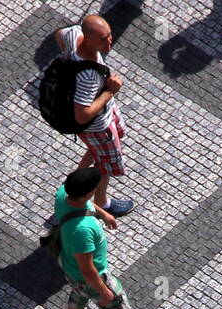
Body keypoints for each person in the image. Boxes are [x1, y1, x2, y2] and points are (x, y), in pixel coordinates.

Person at [54, 14, 133, 217]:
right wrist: (109, 91)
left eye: (109, 35)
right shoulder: (88, 76)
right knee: (104, 165)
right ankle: (101, 202)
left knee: (101, 151)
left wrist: (67, 55)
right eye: (102, 39)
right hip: (98, 126)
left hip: (106, 115)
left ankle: (72, 181)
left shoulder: (74, 35)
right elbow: (83, 115)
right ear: (88, 39)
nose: (109, 42)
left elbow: (59, 35)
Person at [55, 166, 129, 309]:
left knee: (79, 297)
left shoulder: (63, 193)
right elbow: (88, 269)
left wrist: (103, 214)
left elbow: (85, 202)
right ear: (90, 192)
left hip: (71, 271)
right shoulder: (83, 230)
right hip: (91, 276)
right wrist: (104, 291)